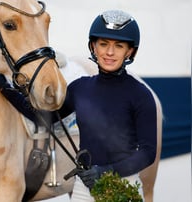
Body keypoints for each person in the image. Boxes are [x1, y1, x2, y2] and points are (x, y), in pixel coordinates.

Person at [58, 10, 157, 201]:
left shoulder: (141, 95)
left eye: (118, 46)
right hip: (83, 189)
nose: (109, 52)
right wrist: (2, 87)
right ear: (93, 47)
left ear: (130, 51)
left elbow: (148, 152)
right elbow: (43, 116)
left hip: (124, 184)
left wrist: (105, 172)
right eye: (103, 44)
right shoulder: (79, 88)